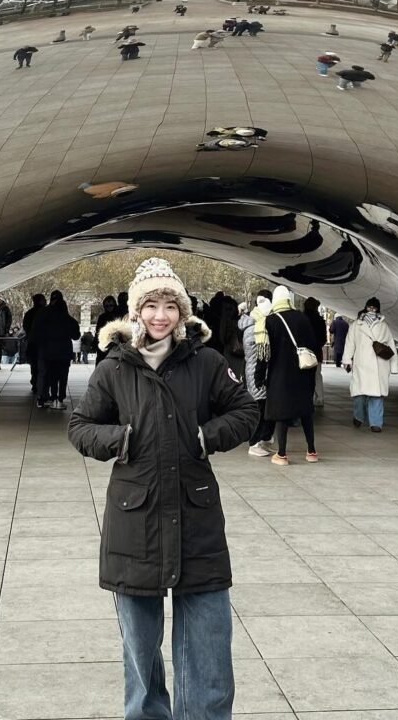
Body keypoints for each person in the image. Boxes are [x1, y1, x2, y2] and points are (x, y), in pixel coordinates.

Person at [68, 257, 257, 720]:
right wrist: (121, 439)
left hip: (198, 524)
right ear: (135, 312)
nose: (159, 315)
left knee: (210, 655)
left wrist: (204, 436)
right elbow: (80, 426)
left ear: (183, 312)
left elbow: (246, 412)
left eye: (169, 305)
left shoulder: (207, 362)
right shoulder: (115, 367)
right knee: (140, 655)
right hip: (135, 524)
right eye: (150, 305)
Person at [255, 285, 319, 464]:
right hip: (303, 373)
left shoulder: (270, 321)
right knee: (306, 412)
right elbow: (313, 345)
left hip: (280, 375)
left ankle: (281, 455)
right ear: (289, 299)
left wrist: (259, 377)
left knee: (281, 413)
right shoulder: (303, 318)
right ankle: (311, 452)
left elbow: (263, 354)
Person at [342, 297, 398, 432]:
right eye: (370, 307)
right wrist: (347, 360)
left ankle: (376, 423)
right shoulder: (356, 325)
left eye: (374, 308)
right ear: (366, 307)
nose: (372, 310)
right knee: (359, 395)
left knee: (377, 395)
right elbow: (350, 343)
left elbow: (391, 345)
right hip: (362, 364)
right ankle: (358, 416)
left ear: (378, 309)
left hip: (380, 364)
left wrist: (394, 366)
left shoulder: (384, 326)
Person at [239, 292, 277, 457]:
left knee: (265, 409)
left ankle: (263, 440)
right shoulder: (255, 327)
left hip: (258, 372)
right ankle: (254, 442)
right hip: (256, 373)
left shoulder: (254, 324)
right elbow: (259, 353)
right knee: (259, 410)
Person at [31, 290, 80, 409]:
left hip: (48, 352)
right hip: (64, 352)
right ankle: (60, 398)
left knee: (50, 376)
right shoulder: (68, 318)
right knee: (63, 377)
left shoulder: (43, 314)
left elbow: (35, 332)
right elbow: (76, 335)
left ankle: (50, 398)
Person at [303, 296, 327, 408]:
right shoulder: (320, 320)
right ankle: (319, 398)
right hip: (317, 352)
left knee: (304, 375)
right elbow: (323, 339)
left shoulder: (302, 319)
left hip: (304, 352)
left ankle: (306, 398)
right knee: (317, 375)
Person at [23, 293, 47, 391]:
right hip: (44, 343)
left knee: (34, 365)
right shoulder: (46, 313)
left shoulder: (29, 313)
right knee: (43, 365)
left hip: (32, 342)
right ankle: (41, 383)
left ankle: (35, 382)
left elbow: (26, 327)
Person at [95, 296, 121, 365]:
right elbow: (98, 331)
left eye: (111, 305)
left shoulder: (118, 316)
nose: (109, 307)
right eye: (107, 306)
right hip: (104, 346)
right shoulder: (102, 317)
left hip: (116, 346)